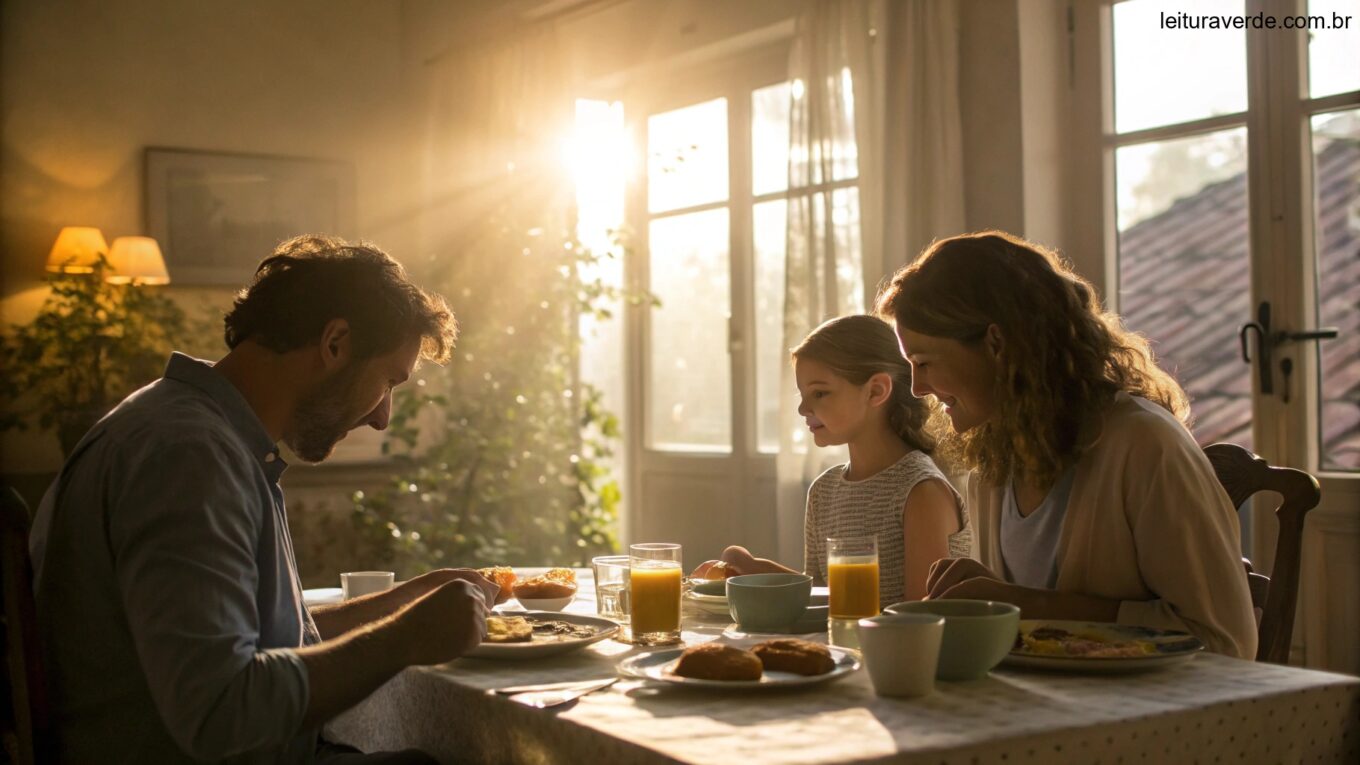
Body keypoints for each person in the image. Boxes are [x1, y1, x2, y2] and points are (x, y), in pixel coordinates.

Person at [29, 235, 500, 764]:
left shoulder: (196, 433)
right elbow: (220, 711)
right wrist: (404, 640)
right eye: (389, 381)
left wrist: (405, 605)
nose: (382, 416)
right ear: (336, 342)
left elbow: (266, 641)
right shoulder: (188, 457)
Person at [875, 230, 1256, 658]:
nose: (919, 387)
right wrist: (988, 605)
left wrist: (1026, 604)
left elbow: (1225, 640)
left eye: (924, 363)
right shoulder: (994, 462)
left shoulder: (1146, 445)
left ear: (997, 344)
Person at [693, 315, 972, 606]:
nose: (803, 408)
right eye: (803, 394)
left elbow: (921, 619)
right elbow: (826, 599)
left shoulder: (921, 492)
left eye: (820, 393)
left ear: (876, 390)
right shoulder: (823, 491)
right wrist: (750, 569)